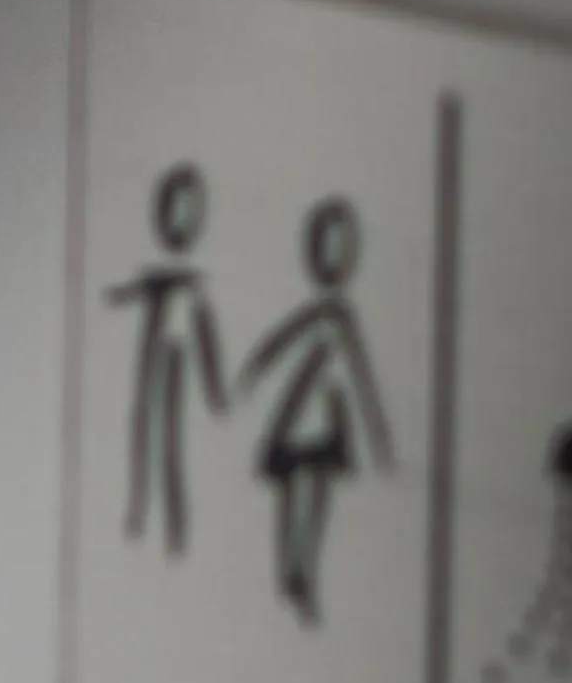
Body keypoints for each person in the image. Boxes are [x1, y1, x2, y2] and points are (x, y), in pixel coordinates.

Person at [240, 197, 393, 625]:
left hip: (327, 419)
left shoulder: (344, 318)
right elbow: (278, 343)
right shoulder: (315, 314)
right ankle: (287, 571)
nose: (332, 260)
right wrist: (254, 370)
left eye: (340, 251)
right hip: (297, 416)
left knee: (320, 494)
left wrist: (376, 433)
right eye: (326, 249)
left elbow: (361, 376)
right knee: (290, 495)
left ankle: (303, 571)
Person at [107, 163, 227, 557]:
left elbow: (206, 335)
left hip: (177, 355)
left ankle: (174, 526)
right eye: (173, 209)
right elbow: (122, 295)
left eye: (186, 212)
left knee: (171, 438)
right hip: (153, 349)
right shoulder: (157, 277)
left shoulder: (194, 284)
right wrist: (126, 293)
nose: (178, 220)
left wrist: (215, 390)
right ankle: (138, 512)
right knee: (142, 424)